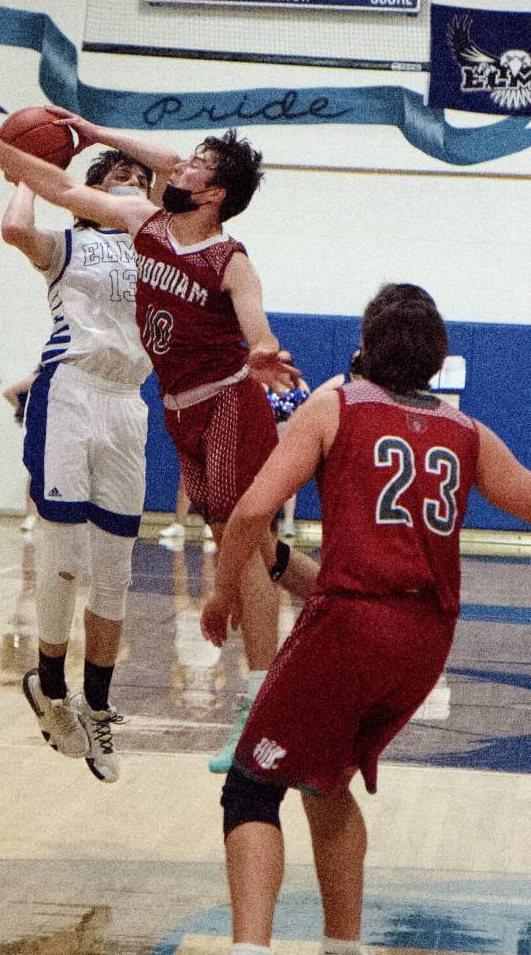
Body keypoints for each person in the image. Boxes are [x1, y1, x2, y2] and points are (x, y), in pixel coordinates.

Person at [0, 114, 320, 775]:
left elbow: (249, 310)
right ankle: (342, 606)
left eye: (181, 169)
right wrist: (9, 147)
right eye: (177, 163)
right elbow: (51, 195)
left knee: (192, 553)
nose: (165, 172)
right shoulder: (115, 232)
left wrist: (260, 349)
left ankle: (217, 707)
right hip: (126, 400)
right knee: (239, 548)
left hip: (181, 405)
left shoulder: (196, 247)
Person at [199, 283, 531, 955]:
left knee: (250, 788)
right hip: (425, 646)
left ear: (364, 346)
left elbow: (249, 512)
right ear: (436, 360)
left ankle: (248, 950)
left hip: (350, 626)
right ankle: (341, 947)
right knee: (323, 781)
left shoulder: (334, 406)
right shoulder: (466, 430)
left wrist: (219, 593)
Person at [0, 151, 154, 783]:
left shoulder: (155, 244)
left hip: (127, 405)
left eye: (141, 180)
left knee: (115, 573)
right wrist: (24, 168)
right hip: (71, 392)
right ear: (94, 189)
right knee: (66, 557)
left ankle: (97, 704)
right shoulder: (68, 243)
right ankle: (51, 686)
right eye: (124, 177)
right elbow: (14, 230)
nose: (138, 184)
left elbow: (170, 173)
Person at [266, 349, 310, 537]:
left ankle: (289, 521)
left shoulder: (300, 386)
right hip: (269, 441)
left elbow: (308, 410)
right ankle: (266, 520)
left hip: (290, 439)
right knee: (267, 482)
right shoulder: (266, 384)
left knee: (288, 483)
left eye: (287, 362)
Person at [3, 367, 41, 532]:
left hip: (64, 431)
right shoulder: (39, 377)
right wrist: (24, 412)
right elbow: (9, 392)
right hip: (41, 430)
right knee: (35, 473)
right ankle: (31, 515)